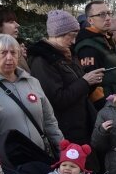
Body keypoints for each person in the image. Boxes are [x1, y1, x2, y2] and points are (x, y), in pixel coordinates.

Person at [0, 34, 63, 156]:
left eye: (13, 53)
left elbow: (49, 121)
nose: (9, 58)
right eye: (3, 53)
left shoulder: (32, 82)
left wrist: (62, 148)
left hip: (40, 156)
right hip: (7, 161)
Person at [27, 10, 102, 150]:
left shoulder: (66, 54)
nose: (73, 41)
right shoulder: (43, 61)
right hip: (66, 129)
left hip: (80, 124)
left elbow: (77, 87)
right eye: (71, 36)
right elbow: (56, 99)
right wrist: (85, 81)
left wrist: (92, 81)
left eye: (75, 36)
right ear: (57, 34)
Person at [75, 0, 116, 109]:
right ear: (90, 20)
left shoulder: (105, 39)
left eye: (108, 13)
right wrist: (105, 109)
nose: (108, 18)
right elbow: (93, 86)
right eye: (102, 15)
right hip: (109, 107)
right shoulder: (88, 46)